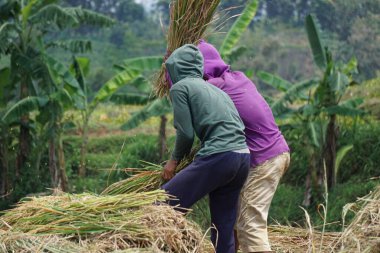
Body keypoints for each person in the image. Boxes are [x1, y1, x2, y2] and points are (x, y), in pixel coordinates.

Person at [197, 40, 290, 253]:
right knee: (239, 222)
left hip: (264, 159)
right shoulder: (238, 78)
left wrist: (171, 66)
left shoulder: (216, 87)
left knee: (251, 225)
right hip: (275, 153)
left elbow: (186, 89)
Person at [161, 44, 250, 253]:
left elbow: (185, 133)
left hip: (219, 156)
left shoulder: (180, 87)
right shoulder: (215, 90)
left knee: (162, 204)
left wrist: (173, 162)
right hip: (242, 158)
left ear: (175, 67)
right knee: (223, 226)